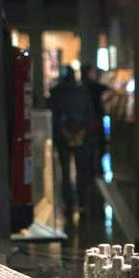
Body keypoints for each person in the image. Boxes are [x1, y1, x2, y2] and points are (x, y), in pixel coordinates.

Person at [48, 65, 96, 221]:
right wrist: (81, 132)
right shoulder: (83, 92)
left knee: (65, 172)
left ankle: (69, 205)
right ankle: (82, 204)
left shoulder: (56, 93)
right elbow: (90, 115)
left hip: (63, 137)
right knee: (82, 172)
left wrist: (65, 133)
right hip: (82, 137)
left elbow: (54, 118)